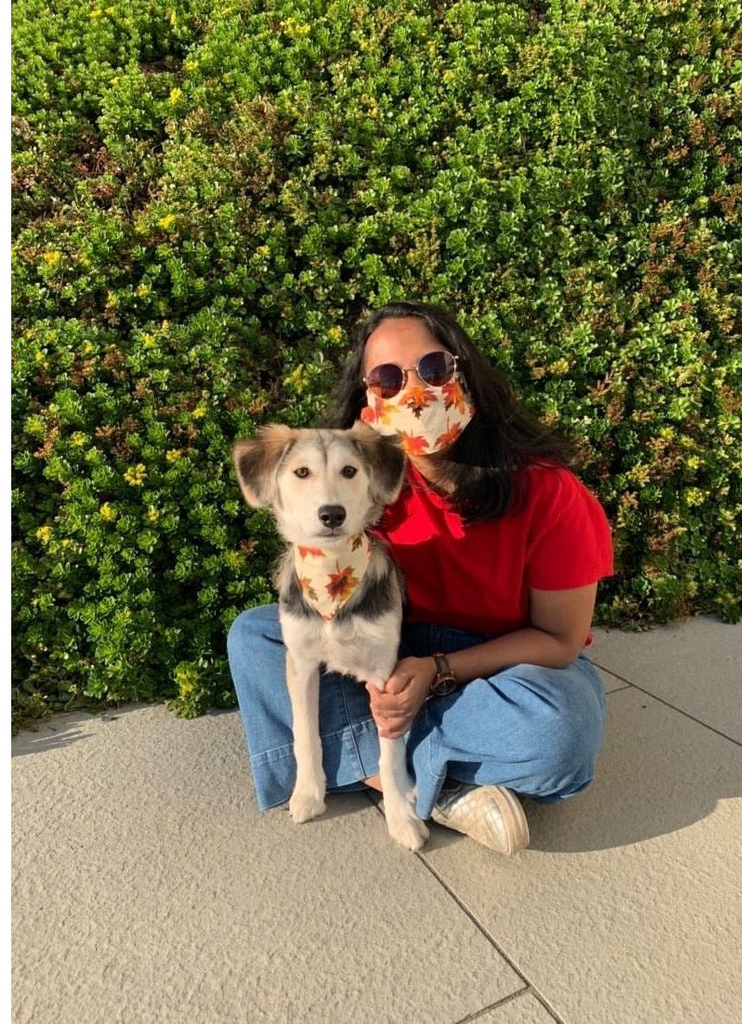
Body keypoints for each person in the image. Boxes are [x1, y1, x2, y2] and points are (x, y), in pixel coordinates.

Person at [226, 301, 614, 854]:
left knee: (561, 729)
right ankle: (427, 784)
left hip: (505, 664)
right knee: (256, 636)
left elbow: (560, 640)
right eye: (386, 379)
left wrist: (436, 671)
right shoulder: (355, 476)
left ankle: (380, 769)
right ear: (367, 399)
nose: (413, 393)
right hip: (386, 644)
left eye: (432, 369)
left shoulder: (547, 491)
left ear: (463, 372)